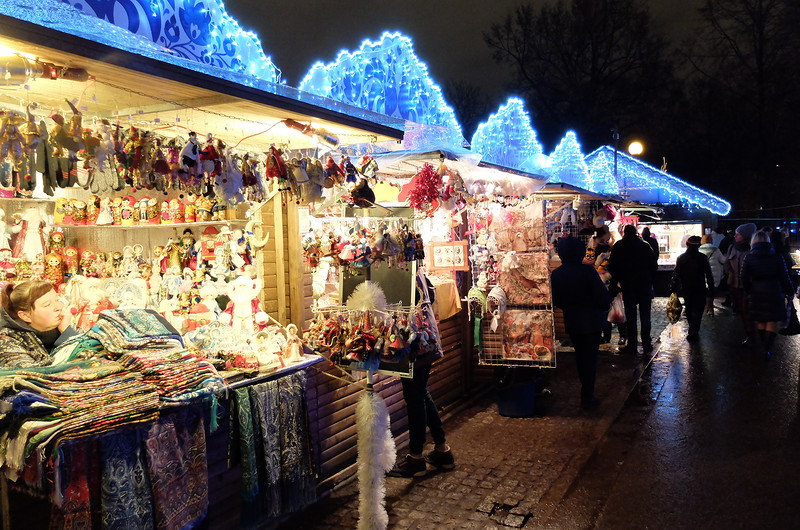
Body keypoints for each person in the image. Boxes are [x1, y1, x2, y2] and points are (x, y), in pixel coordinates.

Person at [389, 270, 453, 477]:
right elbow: (430, 296)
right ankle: (442, 450)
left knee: (415, 398)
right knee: (420, 394)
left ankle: (416, 457)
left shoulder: (407, 274)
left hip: (417, 346)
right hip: (424, 344)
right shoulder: (416, 271)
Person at [551, 236, 611, 410]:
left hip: (573, 321)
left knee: (580, 357)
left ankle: (586, 393)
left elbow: (558, 300)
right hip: (591, 321)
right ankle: (587, 396)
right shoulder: (588, 271)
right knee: (590, 359)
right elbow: (603, 300)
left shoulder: (557, 274)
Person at [0, 280, 77, 368]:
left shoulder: (65, 326)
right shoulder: (6, 340)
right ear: (25, 316)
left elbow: (90, 356)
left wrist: (67, 332)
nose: (58, 307)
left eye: (57, 300)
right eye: (47, 305)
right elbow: (32, 373)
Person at [741, 231, 793, 358]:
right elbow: (784, 276)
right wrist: (790, 291)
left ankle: (763, 345)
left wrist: (748, 290)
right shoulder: (776, 256)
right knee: (771, 320)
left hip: (756, 291)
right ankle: (767, 348)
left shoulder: (749, 256)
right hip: (774, 290)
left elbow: (744, 276)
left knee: (761, 320)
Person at [607, 224, 658, 354]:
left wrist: (617, 280)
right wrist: (649, 279)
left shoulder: (618, 246)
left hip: (628, 285)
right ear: (636, 233)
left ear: (624, 233)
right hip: (644, 285)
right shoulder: (645, 246)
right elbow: (654, 266)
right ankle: (646, 344)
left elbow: (612, 267)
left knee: (631, 315)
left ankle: (632, 344)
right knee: (645, 315)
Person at [670, 236, 715, 342]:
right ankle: (694, 330)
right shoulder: (702, 258)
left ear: (687, 245)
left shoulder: (681, 258)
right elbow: (709, 275)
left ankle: (692, 329)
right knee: (698, 310)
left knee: (689, 308)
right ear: (698, 246)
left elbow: (676, 274)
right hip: (700, 287)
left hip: (687, 288)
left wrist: (673, 287)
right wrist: (711, 289)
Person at [724, 223, 756, 343]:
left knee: (747, 309)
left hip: (748, 285)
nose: (735, 236)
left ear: (745, 236)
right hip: (734, 285)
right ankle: (749, 333)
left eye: (738, 234)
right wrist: (729, 274)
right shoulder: (732, 248)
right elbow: (727, 263)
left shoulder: (752, 249)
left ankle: (752, 335)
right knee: (740, 310)